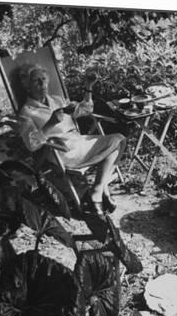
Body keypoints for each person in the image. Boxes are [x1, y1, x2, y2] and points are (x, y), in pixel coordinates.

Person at [17, 64, 126, 214]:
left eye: (44, 79)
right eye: (37, 81)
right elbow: (31, 145)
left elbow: (86, 110)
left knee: (120, 140)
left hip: (79, 142)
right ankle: (99, 192)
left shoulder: (57, 100)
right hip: (62, 151)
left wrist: (88, 86)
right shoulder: (26, 113)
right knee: (116, 143)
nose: (43, 84)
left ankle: (98, 189)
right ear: (27, 86)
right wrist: (50, 124)